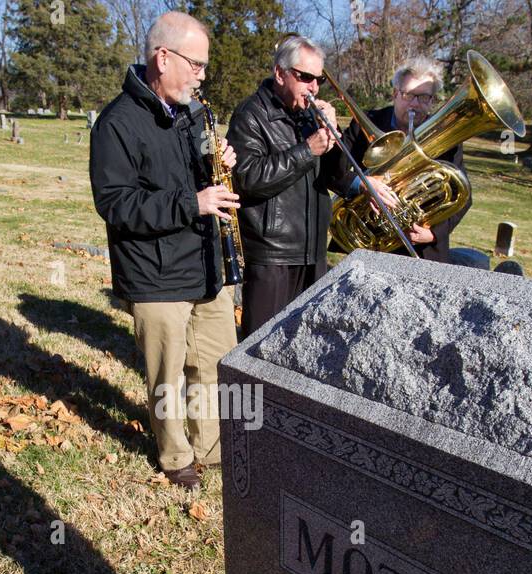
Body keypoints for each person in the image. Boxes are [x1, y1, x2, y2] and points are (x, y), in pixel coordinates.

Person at [89, 11, 239, 491]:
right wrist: (191, 202)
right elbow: (114, 203)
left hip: (203, 265)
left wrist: (218, 164)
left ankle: (213, 448)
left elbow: (195, 178)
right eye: (195, 64)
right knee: (166, 378)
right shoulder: (116, 123)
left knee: (216, 366)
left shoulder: (193, 114)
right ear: (162, 57)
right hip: (153, 274)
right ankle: (176, 456)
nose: (201, 75)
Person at [226, 34, 360, 338]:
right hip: (272, 254)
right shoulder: (250, 115)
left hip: (312, 251)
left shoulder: (310, 117)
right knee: (259, 344)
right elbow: (246, 179)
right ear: (280, 73)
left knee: (303, 342)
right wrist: (307, 150)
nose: (313, 87)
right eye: (305, 77)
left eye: (319, 80)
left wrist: (334, 137)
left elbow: (336, 178)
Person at [340, 56, 470, 264]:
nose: (415, 104)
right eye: (409, 95)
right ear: (395, 94)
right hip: (370, 242)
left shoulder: (447, 135)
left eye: (424, 97)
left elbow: (463, 194)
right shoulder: (366, 123)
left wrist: (435, 233)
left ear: (433, 100)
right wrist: (363, 183)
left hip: (422, 248)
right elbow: (337, 168)